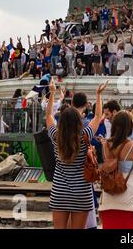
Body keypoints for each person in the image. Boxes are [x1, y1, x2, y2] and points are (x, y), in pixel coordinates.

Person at [45, 78, 104, 229]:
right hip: (82, 192)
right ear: (79, 121)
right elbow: (98, 117)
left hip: (59, 191)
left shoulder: (56, 136)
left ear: (62, 121)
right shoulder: (85, 135)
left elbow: (49, 116)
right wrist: (98, 94)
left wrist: (52, 93)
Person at [98, 111, 133, 229]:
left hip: (108, 198)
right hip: (128, 199)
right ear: (130, 126)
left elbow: (109, 167)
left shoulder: (105, 145)